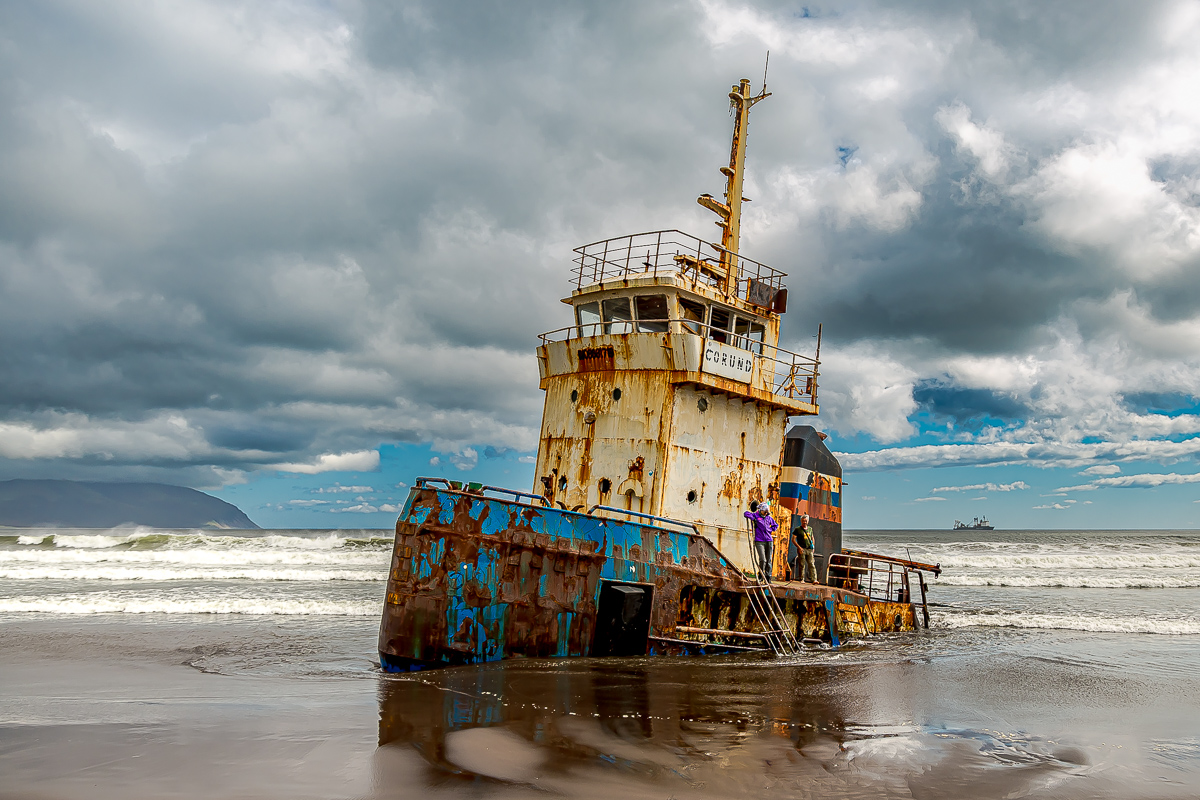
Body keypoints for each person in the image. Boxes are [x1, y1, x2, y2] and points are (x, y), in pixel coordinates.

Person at [744, 500, 778, 582]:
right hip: (759, 540)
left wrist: (770, 529)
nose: (766, 513)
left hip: (769, 540)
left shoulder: (769, 518)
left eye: (767, 512)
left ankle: (768, 576)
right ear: (760, 510)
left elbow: (775, 525)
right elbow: (746, 513)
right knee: (763, 559)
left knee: (768, 560)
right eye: (764, 512)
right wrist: (754, 519)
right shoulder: (755, 516)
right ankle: (761, 574)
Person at [792, 513, 818, 583]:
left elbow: (812, 538)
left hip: (809, 549)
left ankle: (814, 579)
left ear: (808, 521)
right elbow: (793, 539)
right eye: (803, 521)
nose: (804, 522)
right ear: (801, 521)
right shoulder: (797, 529)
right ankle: (801, 579)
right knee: (802, 564)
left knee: (811, 564)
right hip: (802, 549)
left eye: (806, 521)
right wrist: (799, 548)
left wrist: (813, 548)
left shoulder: (810, 529)